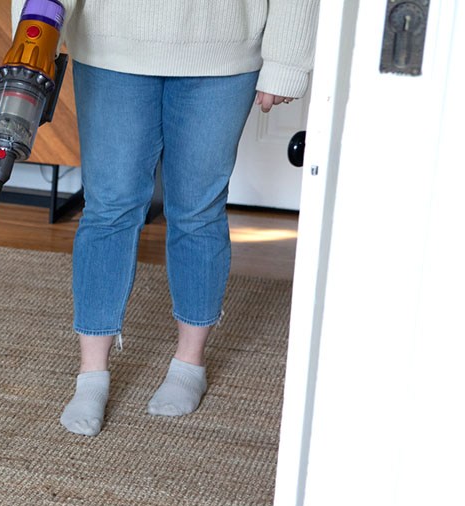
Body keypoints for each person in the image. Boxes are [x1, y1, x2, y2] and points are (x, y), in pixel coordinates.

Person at [21, 0, 320, 436]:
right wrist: (34, 31)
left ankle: (189, 363)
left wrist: (287, 61)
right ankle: (92, 374)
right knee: (108, 207)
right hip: (111, 44)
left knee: (198, 209)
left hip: (224, 48)